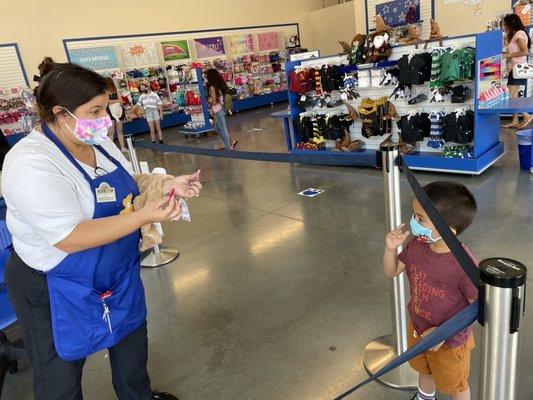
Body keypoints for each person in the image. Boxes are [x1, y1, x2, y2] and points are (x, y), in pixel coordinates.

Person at [2, 62, 202, 400]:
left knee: (132, 350)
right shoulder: (30, 163)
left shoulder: (98, 143)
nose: (105, 119)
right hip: (54, 283)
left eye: (105, 107)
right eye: (94, 110)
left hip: (115, 271)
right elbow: (70, 237)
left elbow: (127, 184)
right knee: (60, 376)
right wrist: (142, 217)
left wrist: (166, 184)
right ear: (60, 114)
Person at [383, 181, 478, 400]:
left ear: (448, 229)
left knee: (456, 385)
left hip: (449, 342)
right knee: (424, 370)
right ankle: (424, 397)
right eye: (414, 215)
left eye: (420, 218)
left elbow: (477, 308)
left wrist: (443, 333)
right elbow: (392, 270)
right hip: (418, 328)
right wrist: (390, 249)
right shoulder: (417, 245)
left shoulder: (465, 265)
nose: (414, 222)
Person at [502, 13, 532, 129]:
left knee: (511, 96)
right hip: (514, 69)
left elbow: (525, 51)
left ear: (511, 23)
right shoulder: (513, 35)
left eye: (505, 24)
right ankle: (515, 120)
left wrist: (509, 54)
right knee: (514, 96)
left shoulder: (519, 34)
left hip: (518, 69)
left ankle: (526, 115)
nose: (504, 26)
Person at [205, 68, 237, 150]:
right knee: (217, 128)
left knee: (222, 129)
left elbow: (214, 102)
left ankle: (228, 147)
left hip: (218, 110)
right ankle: (228, 144)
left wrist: (209, 100)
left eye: (207, 76)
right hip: (222, 109)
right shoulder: (220, 85)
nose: (206, 78)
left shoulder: (212, 87)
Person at [105, 77, 127, 153]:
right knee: (111, 132)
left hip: (119, 112)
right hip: (109, 113)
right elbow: (107, 102)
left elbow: (121, 102)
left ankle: (123, 147)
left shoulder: (117, 91)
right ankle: (111, 150)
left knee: (120, 130)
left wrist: (115, 101)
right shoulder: (104, 93)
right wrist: (117, 100)